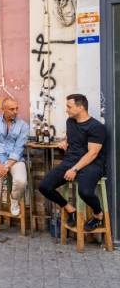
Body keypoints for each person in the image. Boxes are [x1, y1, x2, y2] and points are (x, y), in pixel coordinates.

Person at [39, 94, 107, 232]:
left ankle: (98, 214)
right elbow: (71, 135)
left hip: (91, 164)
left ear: (81, 107)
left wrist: (74, 169)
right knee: (44, 186)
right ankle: (71, 210)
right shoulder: (70, 121)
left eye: (69, 107)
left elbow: (92, 153)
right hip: (70, 160)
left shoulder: (96, 127)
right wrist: (65, 140)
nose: (66, 110)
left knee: (85, 192)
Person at [0, 97, 29, 244]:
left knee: (21, 181)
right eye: (11, 109)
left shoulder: (23, 126)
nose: (15, 111)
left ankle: (14, 199)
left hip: (15, 160)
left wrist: (6, 166)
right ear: (3, 109)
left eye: (16, 108)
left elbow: (19, 148)